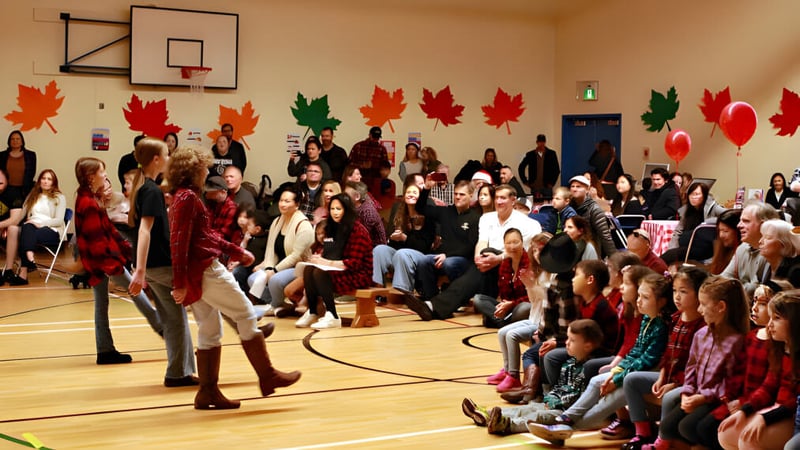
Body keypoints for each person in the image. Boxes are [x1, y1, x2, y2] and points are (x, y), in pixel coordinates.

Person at [166, 146, 300, 410]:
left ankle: (207, 392)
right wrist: (179, 282)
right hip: (205, 271)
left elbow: (205, 236)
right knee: (246, 315)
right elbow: (178, 242)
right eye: (204, 167)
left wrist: (238, 251)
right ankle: (268, 375)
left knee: (210, 330)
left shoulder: (185, 197)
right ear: (194, 170)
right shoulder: (188, 199)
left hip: (197, 273)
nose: (207, 171)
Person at [528, 273, 671, 445]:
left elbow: (648, 359)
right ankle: (565, 419)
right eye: (639, 296)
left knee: (618, 389)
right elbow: (635, 352)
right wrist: (616, 371)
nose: (639, 301)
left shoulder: (662, 325)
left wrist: (617, 377)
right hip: (637, 371)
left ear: (661, 302)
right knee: (597, 380)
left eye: (645, 297)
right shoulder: (647, 319)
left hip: (649, 373)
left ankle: (564, 428)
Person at [403, 185, 542, 322]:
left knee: (486, 257)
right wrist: (478, 258)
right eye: (497, 198)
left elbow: (525, 253)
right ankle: (435, 307)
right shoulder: (487, 218)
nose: (499, 201)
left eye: (503, 198)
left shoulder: (528, 223)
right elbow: (481, 241)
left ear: (513, 200)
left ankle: (434, 306)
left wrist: (499, 258)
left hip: (511, 266)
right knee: (483, 257)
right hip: (487, 266)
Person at [73, 157, 164, 365]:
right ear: (90, 177)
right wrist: (116, 263)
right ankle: (170, 336)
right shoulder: (88, 203)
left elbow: (107, 231)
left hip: (100, 262)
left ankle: (105, 350)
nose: (105, 175)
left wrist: (124, 252)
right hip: (104, 262)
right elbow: (97, 241)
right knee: (138, 295)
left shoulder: (89, 198)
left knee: (102, 304)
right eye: (102, 172)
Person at [127, 137, 197, 389]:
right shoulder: (151, 191)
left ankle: (182, 370)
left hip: (155, 266)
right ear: (156, 159)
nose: (169, 159)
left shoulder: (145, 189)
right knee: (178, 319)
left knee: (171, 319)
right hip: (160, 266)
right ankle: (178, 373)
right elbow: (144, 231)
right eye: (167, 154)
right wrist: (140, 271)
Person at [649, 276, 749, 450]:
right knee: (667, 426)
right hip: (697, 394)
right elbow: (691, 368)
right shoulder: (701, 334)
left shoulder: (736, 341)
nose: (699, 309)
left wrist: (703, 398)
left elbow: (731, 382)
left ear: (721, 307)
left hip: (715, 399)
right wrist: (687, 392)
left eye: (703, 304)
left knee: (689, 427)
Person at [618, 266, 710, 447]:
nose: (677, 296)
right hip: (669, 376)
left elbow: (697, 366)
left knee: (668, 397)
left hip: (689, 381)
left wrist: (674, 383)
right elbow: (668, 355)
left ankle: (662, 441)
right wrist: (662, 376)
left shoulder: (701, 326)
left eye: (683, 292)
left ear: (699, 294)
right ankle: (642, 432)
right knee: (631, 380)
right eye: (675, 291)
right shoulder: (675, 318)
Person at [464, 319, 605, 435]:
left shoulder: (589, 369)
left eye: (572, 340)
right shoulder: (568, 363)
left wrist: (555, 403)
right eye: (567, 338)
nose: (566, 343)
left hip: (568, 412)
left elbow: (579, 398)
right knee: (530, 408)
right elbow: (560, 387)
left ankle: (507, 425)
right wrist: (551, 398)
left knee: (540, 416)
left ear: (587, 346)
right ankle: (486, 415)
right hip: (557, 404)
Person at [717, 289, 800, 450]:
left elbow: (794, 403)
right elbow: (768, 386)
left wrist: (765, 418)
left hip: (790, 415)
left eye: (776, 319)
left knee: (749, 441)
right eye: (770, 318)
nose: (769, 325)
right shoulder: (779, 348)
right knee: (726, 434)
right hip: (777, 409)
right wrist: (745, 409)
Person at [483, 233, 552, 395]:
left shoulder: (552, 272)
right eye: (534, 251)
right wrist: (529, 286)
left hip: (543, 323)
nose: (536, 255)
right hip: (534, 318)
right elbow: (534, 301)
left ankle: (514, 375)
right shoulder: (537, 271)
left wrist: (531, 286)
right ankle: (507, 370)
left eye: (540, 251)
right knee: (502, 332)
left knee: (512, 335)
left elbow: (549, 300)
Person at [295, 194, 373, 329]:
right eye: (332, 209)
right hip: (338, 268)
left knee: (320, 273)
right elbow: (330, 253)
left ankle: (333, 315)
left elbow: (355, 263)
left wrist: (327, 263)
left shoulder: (358, 230)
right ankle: (312, 311)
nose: (335, 212)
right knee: (309, 270)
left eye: (339, 209)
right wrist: (318, 258)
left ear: (346, 210)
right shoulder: (332, 228)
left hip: (358, 273)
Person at [248, 186, 314, 318]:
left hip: (299, 267)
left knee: (275, 280)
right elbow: (270, 249)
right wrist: (267, 267)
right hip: (278, 265)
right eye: (281, 200)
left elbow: (296, 256)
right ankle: (279, 304)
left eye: (287, 201)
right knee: (253, 279)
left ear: (296, 204)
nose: (282, 204)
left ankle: (276, 305)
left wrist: (275, 270)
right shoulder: (277, 221)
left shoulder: (303, 225)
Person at [411, 180, 480, 299]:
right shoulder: (445, 212)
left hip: (463, 260)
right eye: (456, 194)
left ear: (471, 195)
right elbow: (420, 208)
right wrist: (426, 188)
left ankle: (458, 297)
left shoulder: (476, 217)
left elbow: (470, 245)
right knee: (423, 261)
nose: (458, 197)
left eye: (462, 194)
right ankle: (431, 298)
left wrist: (447, 255)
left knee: (449, 263)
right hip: (442, 256)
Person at [372, 181, 435, 295]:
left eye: (415, 192)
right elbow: (393, 244)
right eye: (408, 192)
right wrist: (393, 239)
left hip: (420, 255)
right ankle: (378, 289)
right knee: (379, 249)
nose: (411, 194)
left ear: (420, 197)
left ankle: (403, 292)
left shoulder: (428, 216)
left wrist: (405, 238)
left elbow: (424, 247)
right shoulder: (399, 214)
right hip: (399, 253)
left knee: (402, 253)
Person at [9, 169, 66, 284]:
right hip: (32, 228)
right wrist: (10, 225)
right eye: (43, 178)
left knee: (28, 231)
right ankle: (29, 259)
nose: (45, 181)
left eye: (49, 179)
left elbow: (59, 220)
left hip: (51, 229)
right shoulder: (33, 195)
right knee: (27, 226)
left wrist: (41, 224)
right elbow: (22, 214)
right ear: (39, 181)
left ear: (53, 182)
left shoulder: (59, 197)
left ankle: (24, 272)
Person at [473, 228, 532, 332]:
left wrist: (512, 304)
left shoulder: (530, 263)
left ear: (522, 243)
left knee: (525, 307)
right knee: (478, 299)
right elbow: (503, 292)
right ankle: (505, 323)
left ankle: (498, 321)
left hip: (521, 305)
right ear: (504, 245)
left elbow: (533, 297)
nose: (512, 246)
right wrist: (504, 306)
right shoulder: (505, 263)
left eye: (516, 242)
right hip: (508, 307)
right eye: (508, 243)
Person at [721, 201, 780, 297]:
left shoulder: (772, 252)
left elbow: (753, 292)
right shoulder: (742, 247)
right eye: (740, 221)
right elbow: (723, 281)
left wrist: (733, 285)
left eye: (746, 221)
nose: (738, 225)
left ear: (763, 225)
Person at [661, 181, 726, 265]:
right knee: (670, 255)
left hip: (704, 248)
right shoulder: (686, 210)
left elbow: (731, 215)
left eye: (697, 194)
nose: (693, 197)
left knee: (669, 256)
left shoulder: (713, 208)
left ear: (704, 195)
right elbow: (677, 232)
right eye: (691, 194)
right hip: (687, 246)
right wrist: (672, 248)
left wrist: (712, 221)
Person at [568, 175, 617, 257]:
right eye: (572, 186)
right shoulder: (569, 206)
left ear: (587, 190)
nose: (575, 189)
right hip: (572, 251)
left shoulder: (594, 209)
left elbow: (605, 237)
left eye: (579, 186)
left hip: (590, 253)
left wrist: (615, 260)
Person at [758, 219, 800, 287]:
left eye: (768, 237)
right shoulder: (764, 266)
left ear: (784, 244)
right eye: (762, 236)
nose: (760, 241)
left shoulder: (796, 272)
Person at [344, 181, 386, 248]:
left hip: (375, 249)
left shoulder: (368, 212)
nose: (344, 197)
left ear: (357, 197)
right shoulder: (354, 208)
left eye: (346, 195)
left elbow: (362, 236)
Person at [0, 130, 36, 208]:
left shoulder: (31, 155)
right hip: (6, 190)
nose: (15, 141)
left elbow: (32, 173)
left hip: (23, 190)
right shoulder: (2, 155)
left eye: (17, 139)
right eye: (12, 139)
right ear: (9, 141)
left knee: (20, 212)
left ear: (22, 141)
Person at [0, 169, 24, 285]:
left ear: (6, 180)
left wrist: (1, 226)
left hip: (11, 228)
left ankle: (8, 270)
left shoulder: (13, 193)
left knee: (12, 228)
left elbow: (15, 219)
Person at [348, 126, 389, 194]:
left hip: (375, 182)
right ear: (369, 135)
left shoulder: (382, 149)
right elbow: (349, 164)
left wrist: (383, 171)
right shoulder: (358, 146)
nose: (375, 140)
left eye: (377, 138)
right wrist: (361, 166)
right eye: (374, 137)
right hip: (359, 181)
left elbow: (385, 166)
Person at [519, 134, 560, 198]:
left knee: (548, 205)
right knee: (535, 205)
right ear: (537, 142)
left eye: (543, 142)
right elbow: (521, 167)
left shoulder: (551, 154)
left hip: (547, 186)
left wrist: (552, 183)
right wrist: (525, 181)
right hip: (534, 186)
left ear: (545, 142)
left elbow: (556, 170)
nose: (541, 144)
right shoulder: (530, 154)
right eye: (539, 142)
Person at [203, 175, 240, 245]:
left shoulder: (231, 208)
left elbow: (224, 234)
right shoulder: (212, 203)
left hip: (221, 245)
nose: (207, 195)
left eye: (212, 192)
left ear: (223, 192)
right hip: (210, 239)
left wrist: (206, 237)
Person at [707, 209, 742, 275]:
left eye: (725, 231)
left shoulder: (742, 251)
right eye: (719, 230)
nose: (721, 235)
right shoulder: (720, 245)